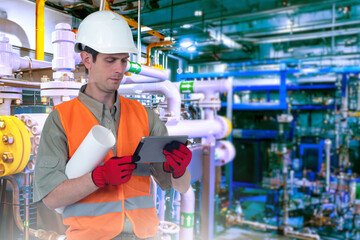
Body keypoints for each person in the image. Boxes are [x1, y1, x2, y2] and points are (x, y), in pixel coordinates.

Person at [33, 10, 191, 240]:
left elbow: (180, 187)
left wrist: (179, 170)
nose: (120, 69)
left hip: (145, 235)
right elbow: (51, 198)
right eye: (110, 60)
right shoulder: (61, 119)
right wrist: (98, 178)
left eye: (124, 60)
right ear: (87, 59)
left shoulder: (145, 116)